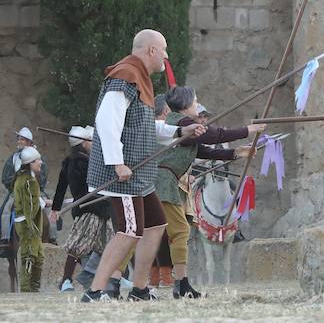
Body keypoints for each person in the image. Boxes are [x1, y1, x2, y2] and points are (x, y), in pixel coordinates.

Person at [84, 29, 207, 303]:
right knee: (129, 230)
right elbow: (107, 122)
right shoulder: (125, 75)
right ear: (151, 50)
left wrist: (178, 133)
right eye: (163, 50)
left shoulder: (139, 78)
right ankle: (94, 292)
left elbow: (142, 127)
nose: (166, 56)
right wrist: (117, 163)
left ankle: (139, 290)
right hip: (122, 173)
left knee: (156, 223)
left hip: (137, 174)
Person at [158, 85, 263, 298]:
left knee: (173, 232)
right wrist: (248, 130)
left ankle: (180, 283)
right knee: (173, 232)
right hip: (166, 181)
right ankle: (173, 284)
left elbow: (205, 150)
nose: (197, 105)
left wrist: (235, 153)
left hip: (170, 180)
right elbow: (215, 136)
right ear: (186, 105)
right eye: (195, 101)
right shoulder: (183, 122)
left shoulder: (185, 124)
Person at [49, 126, 111, 293]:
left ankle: (105, 277)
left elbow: (60, 189)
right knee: (77, 245)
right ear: (84, 143)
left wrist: (55, 208)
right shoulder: (82, 162)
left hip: (97, 207)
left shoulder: (73, 161)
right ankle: (66, 280)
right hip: (89, 208)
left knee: (106, 245)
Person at [0, 127, 45, 256]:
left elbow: (43, 175)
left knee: (51, 210)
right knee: (4, 211)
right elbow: (6, 177)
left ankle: (52, 238)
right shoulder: (12, 158)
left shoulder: (37, 157)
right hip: (16, 191)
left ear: (29, 142)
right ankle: (5, 241)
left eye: (22, 139)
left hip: (36, 190)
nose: (19, 141)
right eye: (18, 139)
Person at [12, 146, 45, 292]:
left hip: (27, 222)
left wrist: (43, 202)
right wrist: (32, 226)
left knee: (38, 256)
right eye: (38, 160)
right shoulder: (28, 181)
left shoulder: (26, 178)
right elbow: (29, 206)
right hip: (28, 223)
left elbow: (33, 200)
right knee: (29, 256)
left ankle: (34, 288)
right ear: (30, 162)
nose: (41, 162)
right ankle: (27, 289)